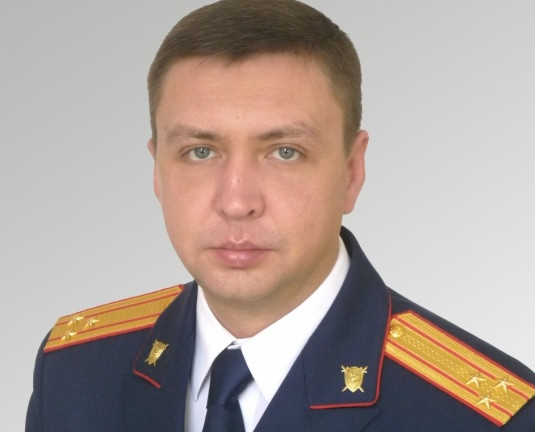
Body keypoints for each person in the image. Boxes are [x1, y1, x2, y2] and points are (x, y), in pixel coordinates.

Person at [26, 0, 535, 430]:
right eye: (200, 152)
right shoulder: (75, 371)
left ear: (352, 171)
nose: (237, 202)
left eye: (284, 152)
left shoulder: (485, 417)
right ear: (157, 170)